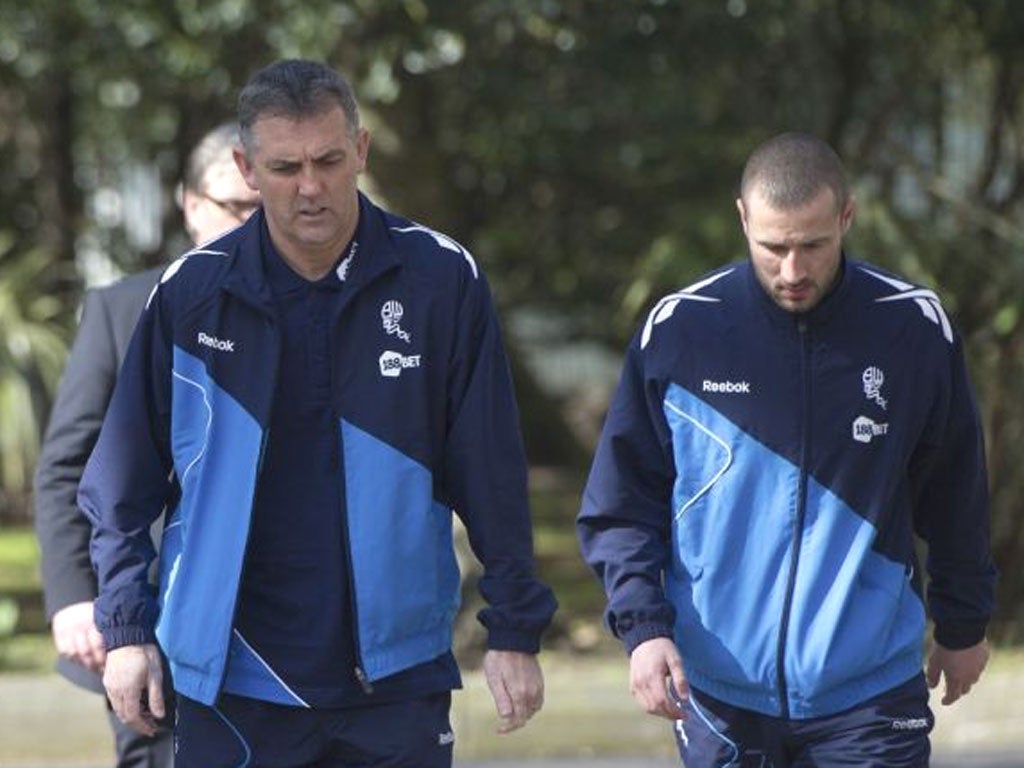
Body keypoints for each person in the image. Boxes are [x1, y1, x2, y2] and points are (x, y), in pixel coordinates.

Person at [77, 59, 557, 767]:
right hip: (232, 677)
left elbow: (489, 468)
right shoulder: (192, 294)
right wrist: (124, 630)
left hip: (393, 677)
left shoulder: (440, 280)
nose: (310, 187)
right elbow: (121, 481)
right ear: (246, 168)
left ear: (360, 150)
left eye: (330, 160)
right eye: (285, 166)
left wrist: (515, 628)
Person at [577, 132, 996, 767]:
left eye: (813, 246)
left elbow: (955, 490)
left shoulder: (914, 328)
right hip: (718, 694)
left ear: (847, 217)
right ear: (743, 219)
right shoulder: (680, 330)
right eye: (773, 247)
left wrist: (964, 624)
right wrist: (644, 629)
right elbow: (620, 503)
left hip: (870, 693)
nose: (793, 271)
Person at [33, 121, 259, 768]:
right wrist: (75, 595)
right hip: (149, 612)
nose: (251, 224)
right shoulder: (122, 308)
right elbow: (65, 466)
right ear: (191, 206)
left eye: (261, 207)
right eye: (235, 206)